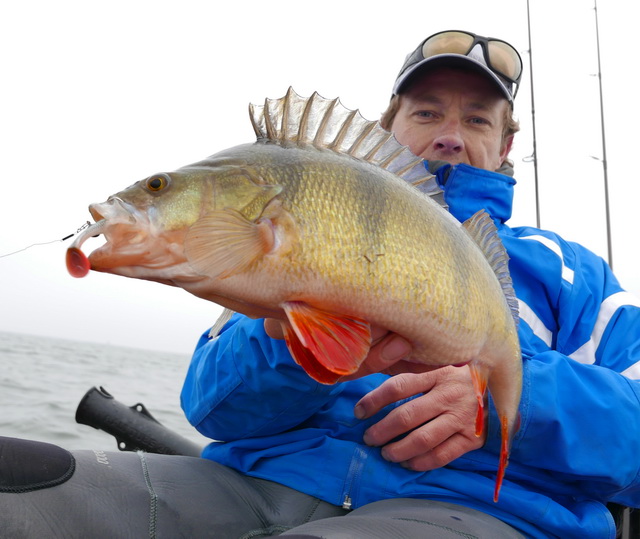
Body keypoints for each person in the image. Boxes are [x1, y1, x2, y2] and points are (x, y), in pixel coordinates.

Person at [178, 30, 640, 538]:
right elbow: (209, 408)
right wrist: (294, 347)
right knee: (77, 492)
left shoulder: (571, 272)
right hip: (256, 483)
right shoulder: (297, 239)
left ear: (505, 144)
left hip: (479, 512)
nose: (450, 134)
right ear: (386, 129)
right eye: (426, 113)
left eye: (477, 119)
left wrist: (505, 397)